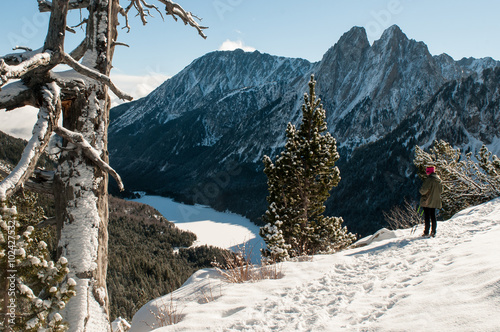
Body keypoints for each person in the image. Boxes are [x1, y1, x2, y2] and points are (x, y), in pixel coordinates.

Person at [419, 166, 443, 237]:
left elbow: (423, 191)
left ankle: (426, 232)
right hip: (435, 200)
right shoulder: (439, 179)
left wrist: (421, 191)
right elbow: (441, 191)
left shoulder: (429, 180)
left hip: (427, 200)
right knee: (433, 216)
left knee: (427, 216)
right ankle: (433, 231)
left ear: (428, 172)